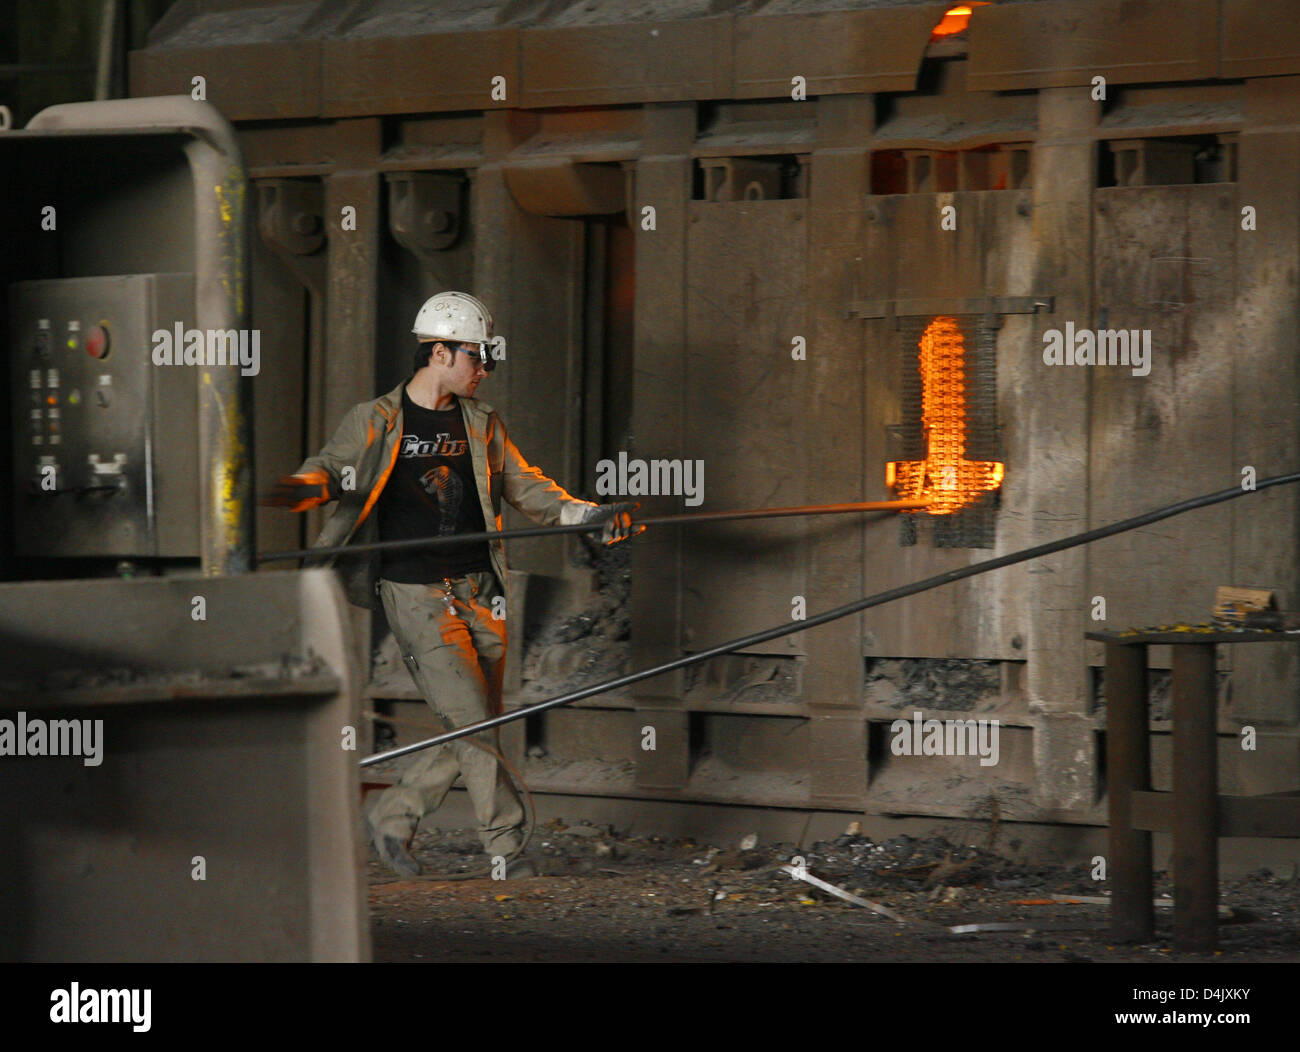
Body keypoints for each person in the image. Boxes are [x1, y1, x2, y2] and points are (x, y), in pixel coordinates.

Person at [264, 291, 637, 878]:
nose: (484, 369)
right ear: (438, 352)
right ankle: (506, 847)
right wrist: (304, 487)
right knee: (474, 720)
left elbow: (526, 486)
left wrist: (587, 514)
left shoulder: (482, 422)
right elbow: (334, 468)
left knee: (472, 720)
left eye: (488, 358)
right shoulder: (377, 420)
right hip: (414, 590)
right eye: (477, 356)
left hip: (480, 587)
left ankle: (392, 816)